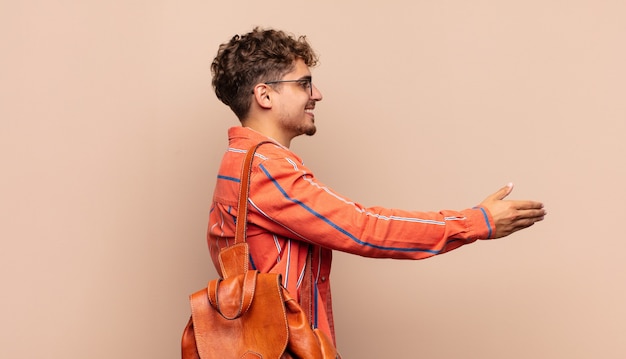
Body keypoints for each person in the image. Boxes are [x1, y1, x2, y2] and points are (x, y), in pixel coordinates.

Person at [207, 27, 546, 346]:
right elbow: (364, 228)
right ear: (264, 95)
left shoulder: (242, 162)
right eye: (304, 84)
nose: (317, 95)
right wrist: (475, 222)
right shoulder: (265, 171)